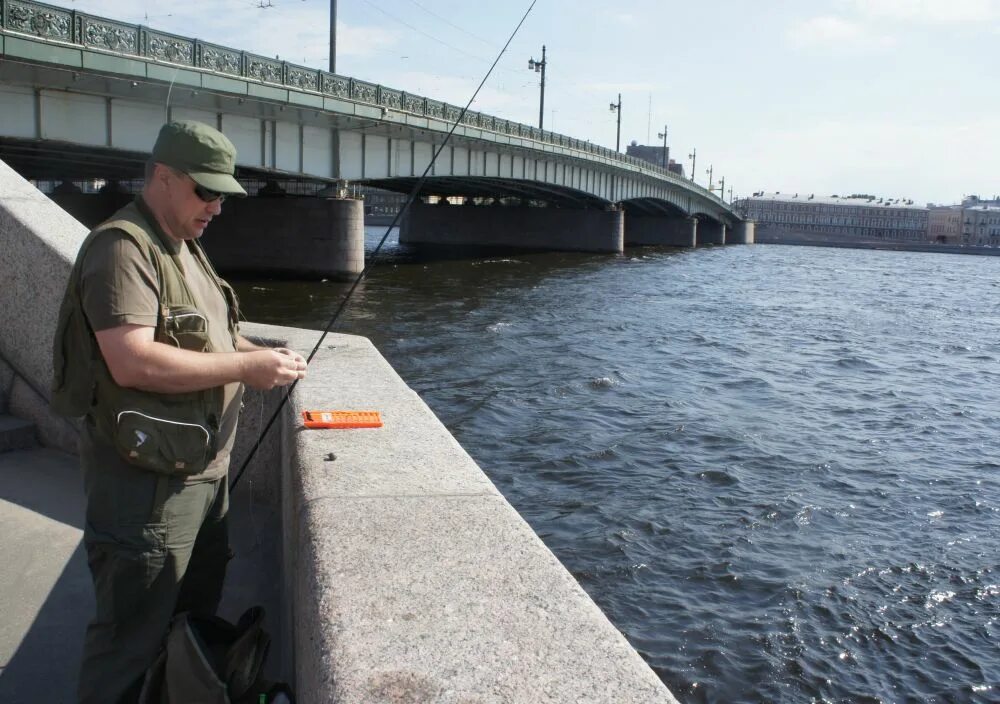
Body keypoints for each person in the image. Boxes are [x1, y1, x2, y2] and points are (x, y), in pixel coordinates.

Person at [50, 120, 307, 703]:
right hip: (146, 491)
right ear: (163, 177)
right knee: (128, 640)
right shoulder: (122, 249)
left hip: (201, 479)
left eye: (222, 195)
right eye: (205, 191)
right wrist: (245, 371)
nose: (216, 206)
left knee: (186, 626)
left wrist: (260, 355)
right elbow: (132, 360)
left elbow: (211, 337)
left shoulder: (186, 246)